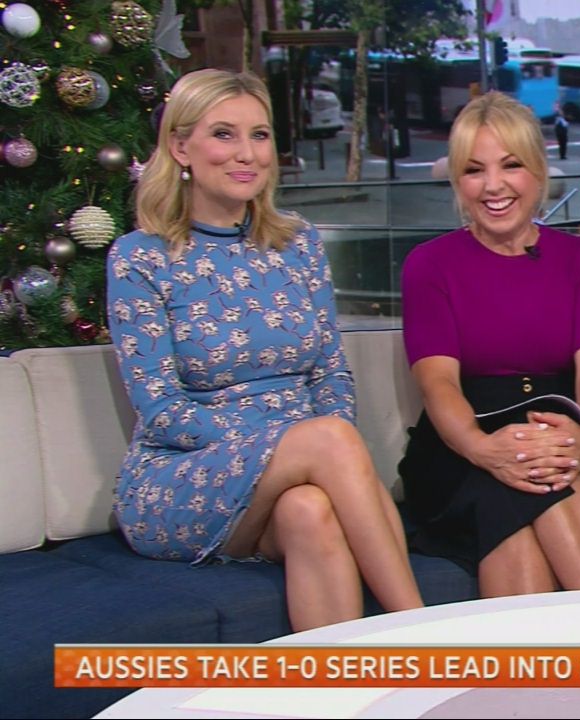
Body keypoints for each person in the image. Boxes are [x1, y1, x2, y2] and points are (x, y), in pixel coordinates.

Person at [107, 69, 423, 632]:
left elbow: (330, 373)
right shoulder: (140, 257)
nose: (247, 154)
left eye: (259, 135)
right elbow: (160, 410)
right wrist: (289, 445)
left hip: (300, 467)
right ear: (180, 147)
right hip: (183, 477)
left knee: (310, 510)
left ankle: (333, 680)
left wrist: (305, 454)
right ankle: (420, 630)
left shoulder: (298, 243)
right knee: (328, 439)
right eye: (223, 134)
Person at [398, 92, 580, 597]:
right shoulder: (429, 265)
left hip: (561, 439)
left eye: (511, 165)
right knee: (521, 491)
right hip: (462, 449)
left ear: (537, 171)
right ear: (458, 181)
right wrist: (483, 449)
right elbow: (438, 384)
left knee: (545, 474)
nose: (493, 185)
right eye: (474, 170)